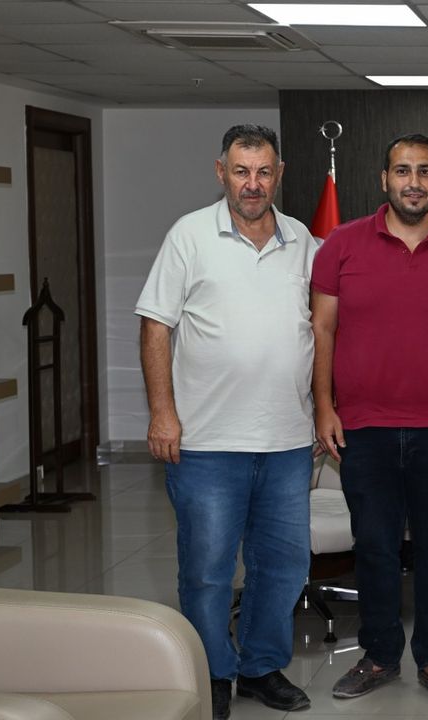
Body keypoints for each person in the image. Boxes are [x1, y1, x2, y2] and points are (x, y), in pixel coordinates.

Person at [136, 124, 316, 720]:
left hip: (287, 440)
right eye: (241, 172)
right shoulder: (189, 235)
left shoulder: (304, 241)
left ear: (279, 174)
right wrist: (162, 412)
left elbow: (322, 331)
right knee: (209, 571)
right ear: (221, 173)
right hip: (207, 442)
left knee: (283, 565)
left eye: (263, 172)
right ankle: (211, 671)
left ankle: (261, 668)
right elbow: (155, 326)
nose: (252, 184)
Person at [310, 134, 428, 705]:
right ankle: (380, 655)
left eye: (425, 171)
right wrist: (324, 407)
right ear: (384, 179)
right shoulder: (341, 244)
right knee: (376, 547)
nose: (414, 182)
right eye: (403, 171)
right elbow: (322, 330)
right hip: (365, 426)